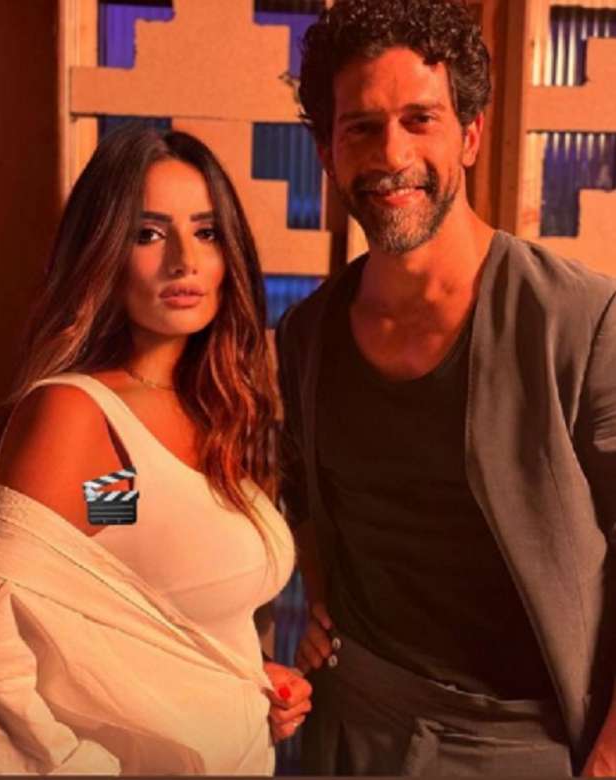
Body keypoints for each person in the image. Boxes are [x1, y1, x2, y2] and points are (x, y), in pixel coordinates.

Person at [275, 0, 616, 775]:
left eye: (419, 119)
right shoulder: (307, 334)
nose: (390, 154)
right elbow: (305, 499)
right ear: (327, 151)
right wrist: (322, 599)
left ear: (469, 134)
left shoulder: (580, 319)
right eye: (361, 127)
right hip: (354, 725)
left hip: (525, 740)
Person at [0, 125, 311, 774]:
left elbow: (120, 564)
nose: (183, 261)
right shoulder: (77, 415)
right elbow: (2, 643)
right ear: (103, 251)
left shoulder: (208, 417)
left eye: (206, 232)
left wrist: (245, 674)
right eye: (148, 234)